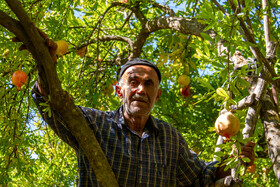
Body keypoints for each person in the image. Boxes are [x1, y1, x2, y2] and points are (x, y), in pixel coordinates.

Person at [27, 34, 255, 186]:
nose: (140, 89)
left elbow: (200, 177)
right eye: (133, 82)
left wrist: (235, 160)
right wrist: (46, 66)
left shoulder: (170, 138)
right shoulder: (94, 123)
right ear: (119, 90)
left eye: (149, 84)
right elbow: (49, 103)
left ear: (157, 94)